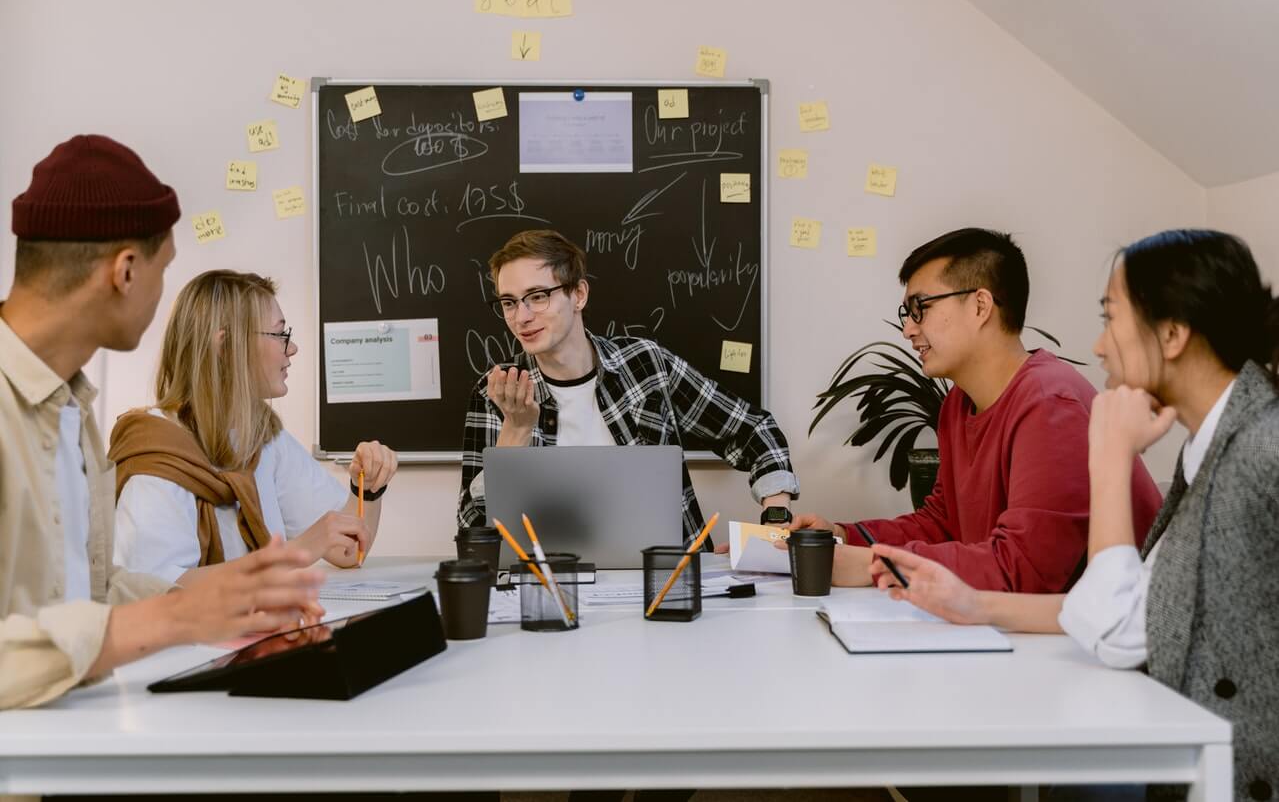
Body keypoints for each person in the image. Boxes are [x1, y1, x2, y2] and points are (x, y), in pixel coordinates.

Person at [871, 229, 1279, 801]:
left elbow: (1115, 628)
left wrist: (1110, 455)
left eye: (1112, 319)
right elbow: (1144, 611)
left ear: (1173, 333)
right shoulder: (1217, 444)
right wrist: (970, 602)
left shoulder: (1257, 452)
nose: (1099, 346)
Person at [1, 135, 323, 710]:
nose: (162, 295)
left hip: (73, 749)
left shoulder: (73, 410)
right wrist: (175, 614)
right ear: (126, 271)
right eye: (163, 269)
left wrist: (229, 600)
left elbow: (84, 594)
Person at [789, 228, 1162, 591]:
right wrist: (843, 536)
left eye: (921, 308)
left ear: (981, 305)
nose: (908, 330)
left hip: (1105, 639)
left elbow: (1025, 569)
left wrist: (878, 566)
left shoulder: (1049, 403)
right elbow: (942, 523)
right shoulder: (958, 403)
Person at [457, 229, 799, 541]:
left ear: (578, 294)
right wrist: (515, 433)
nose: (522, 317)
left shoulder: (646, 365)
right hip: (550, 585)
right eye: (509, 302)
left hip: (667, 577)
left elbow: (754, 430)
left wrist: (776, 514)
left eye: (538, 296)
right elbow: (474, 531)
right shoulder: (499, 390)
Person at [111, 270, 399, 584]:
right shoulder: (155, 452)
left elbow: (346, 552)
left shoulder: (264, 441)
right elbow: (152, 589)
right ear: (225, 346)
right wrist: (293, 553)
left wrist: (366, 488)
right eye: (279, 335)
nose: (292, 349)